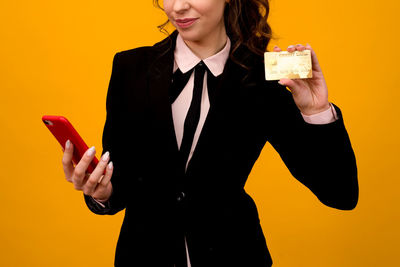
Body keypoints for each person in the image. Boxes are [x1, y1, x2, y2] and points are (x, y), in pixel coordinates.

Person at [61, 0, 359, 266]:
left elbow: (340, 193)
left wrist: (316, 111)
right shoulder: (130, 67)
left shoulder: (266, 75)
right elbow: (121, 180)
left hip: (234, 254)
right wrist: (103, 193)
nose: (177, 7)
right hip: (144, 254)